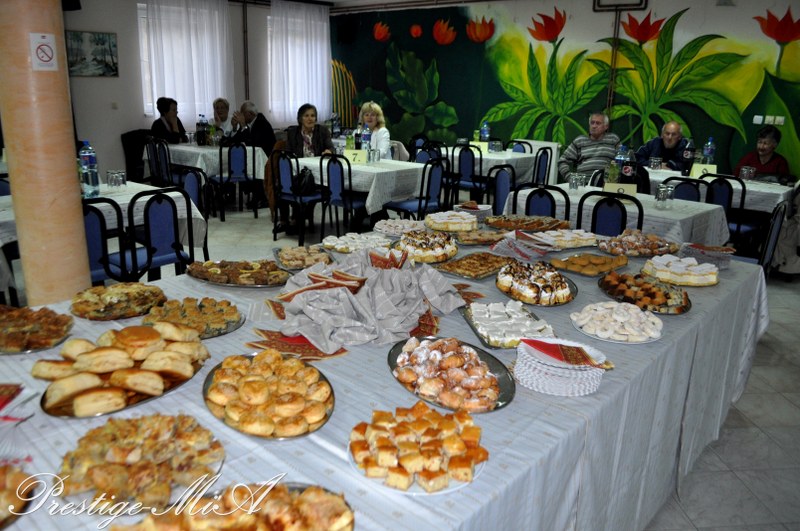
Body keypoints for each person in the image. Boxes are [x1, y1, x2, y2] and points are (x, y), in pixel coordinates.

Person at [558, 112, 620, 180]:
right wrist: (569, 178)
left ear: (606, 126)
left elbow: (623, 161)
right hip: (583, 182)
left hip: (605, 182)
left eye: (598, 123)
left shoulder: (613, 139)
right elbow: (562, 161)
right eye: (592, 123)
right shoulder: (580, 140)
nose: (594, 126)